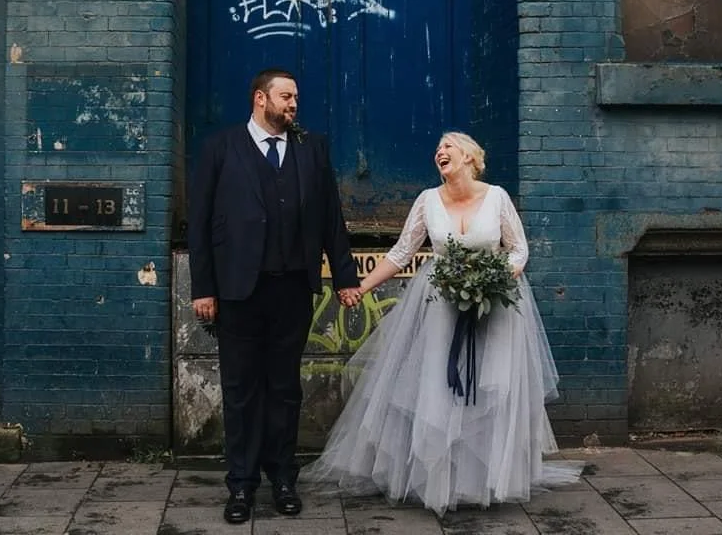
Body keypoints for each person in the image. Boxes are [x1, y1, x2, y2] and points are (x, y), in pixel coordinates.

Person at [301, 132, 582, 516]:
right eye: (437, 149)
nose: (440, 152)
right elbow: (402, 253)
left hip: (495, 309)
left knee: (490, 388)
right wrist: (360, 287)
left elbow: (518, 249)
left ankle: (483, 481)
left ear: (470, 157)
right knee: (439, 387)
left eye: (449, 147)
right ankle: (440, 479)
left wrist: (499, 276)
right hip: (440, 306)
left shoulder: (497, 197)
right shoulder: (427, 201)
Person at [187, 68, 360, 525]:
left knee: (284, 388)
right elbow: (200, 225)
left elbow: (331, 220)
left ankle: (283, 478)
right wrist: (202, 287)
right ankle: (241, 484)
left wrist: (344, 277)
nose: (294, 104)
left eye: (296, 97)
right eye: (286, 96)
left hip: (292, 290)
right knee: (241, 390)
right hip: (238, 292)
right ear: (260, 99)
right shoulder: (220, 148)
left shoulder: (312, 148)